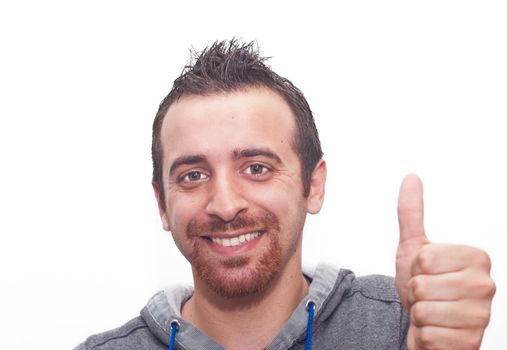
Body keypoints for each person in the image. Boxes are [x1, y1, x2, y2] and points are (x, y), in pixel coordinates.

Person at [75, 39, 495, 350]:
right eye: (193, 175)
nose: (224, 205)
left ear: (313, 185)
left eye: (256, 168)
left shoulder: (404, 326)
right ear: (162, 204)